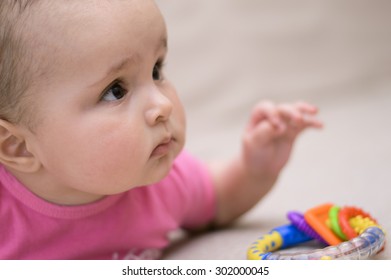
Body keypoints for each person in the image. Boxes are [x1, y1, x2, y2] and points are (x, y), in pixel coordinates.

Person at [0, 0, 323, 259]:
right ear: (18, 146)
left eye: (157, 69)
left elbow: (219, 197)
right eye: (116, 90)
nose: (163, 105)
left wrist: (255, 168)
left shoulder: (162, 184)